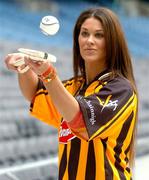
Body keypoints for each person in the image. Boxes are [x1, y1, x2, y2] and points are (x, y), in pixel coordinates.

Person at [5, 7, 138, 180]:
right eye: (84, 34)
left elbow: (80, 120)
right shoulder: (73, 86)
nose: (89, 40)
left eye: (99, 35)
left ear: (112, 42)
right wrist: (24, 66)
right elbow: (35, 93)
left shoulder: (121, 89)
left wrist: (48, 75)